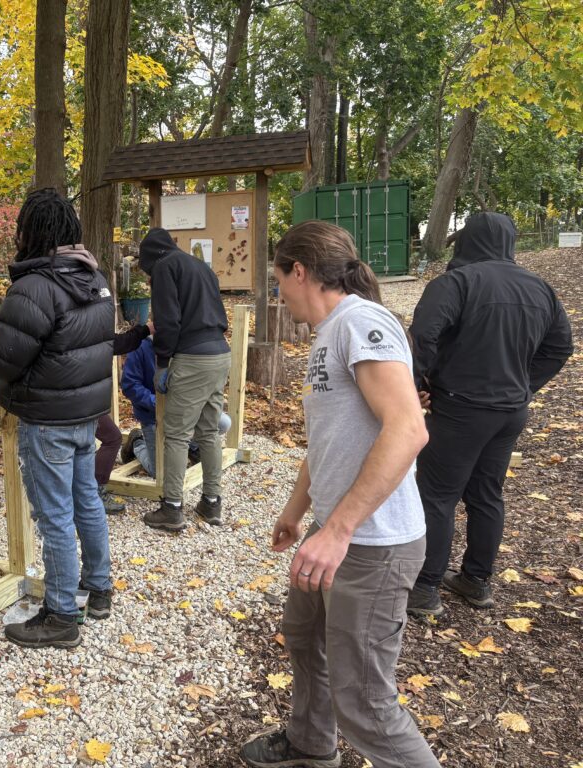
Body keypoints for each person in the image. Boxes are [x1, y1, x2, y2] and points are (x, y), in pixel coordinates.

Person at [241, 221, 440, 768]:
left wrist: (337, 530)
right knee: (303, 637)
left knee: (366, 703)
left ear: (299, 271)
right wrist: (296, 511)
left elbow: (408, 428)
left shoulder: (361, 322)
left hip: (372, 545)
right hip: (334, 535)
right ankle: (310, 743)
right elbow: (329, 440)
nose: (278, 291)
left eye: (279, 278)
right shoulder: (327, 334)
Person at [0, 188, 114, 649]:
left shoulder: (34, 287)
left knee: (54, 517)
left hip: (47, 420)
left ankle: (62, 615)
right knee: (86, 500)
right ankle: (99, 588)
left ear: (30, 232)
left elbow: (4, 359)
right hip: (86, 414)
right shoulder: (95, 278)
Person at [406, 212, 573, 618]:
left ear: (467, 242)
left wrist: (416, 384)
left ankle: (425, 587)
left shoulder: (455, 283)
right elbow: (560, 346)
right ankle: (476, 581)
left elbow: (422, 336)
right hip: (509, 412)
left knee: (438, 495)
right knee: (486, 494)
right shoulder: (540, 289)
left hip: (460, 408)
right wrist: (524, 386)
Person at [136, 227, 231, 530]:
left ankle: (172, 508)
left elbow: (168, 321)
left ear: (151, 257)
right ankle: (212, 502)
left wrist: (162, 362)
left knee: (176, 434)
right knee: (208, 431)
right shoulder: (200, 266)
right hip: (219, 354)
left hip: (193, 358)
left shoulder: (165, 267)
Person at [119, 333, 231, 478]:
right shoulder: (140, 346)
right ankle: (137, 442)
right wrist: (157, 403)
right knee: (160, 472)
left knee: (223, 423)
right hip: (153, 416)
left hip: (184, 411)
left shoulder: (187, 341)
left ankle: (192, 446)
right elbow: (129, 385)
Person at [94, 319, 154, 514]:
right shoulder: (80, 323)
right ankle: (94, 493)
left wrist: (144, 330)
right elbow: (130, 384)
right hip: (71, 397)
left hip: (76, 395)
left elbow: (115, 343)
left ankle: (89, 492)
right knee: (111, 438)